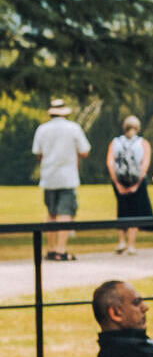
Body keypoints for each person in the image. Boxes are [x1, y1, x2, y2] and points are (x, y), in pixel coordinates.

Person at [33, 99, 89, 262]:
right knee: (65, 213)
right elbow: (84, 151)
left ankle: (50, 248)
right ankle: (61, 249)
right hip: (67, 176)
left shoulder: (42, 129)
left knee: (51, 214)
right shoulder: (73, 128)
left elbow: (38, 153)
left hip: (49, 176)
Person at [108, 116, 153, 256]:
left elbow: (110, 163)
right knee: (135, 212)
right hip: (136, 181)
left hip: (120, 181)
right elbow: (145, 164)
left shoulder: (115, 142)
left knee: (122, 211)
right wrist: (137, 184)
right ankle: (131, 245)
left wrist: (117, 184)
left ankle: (121, 241)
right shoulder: (143, 143)